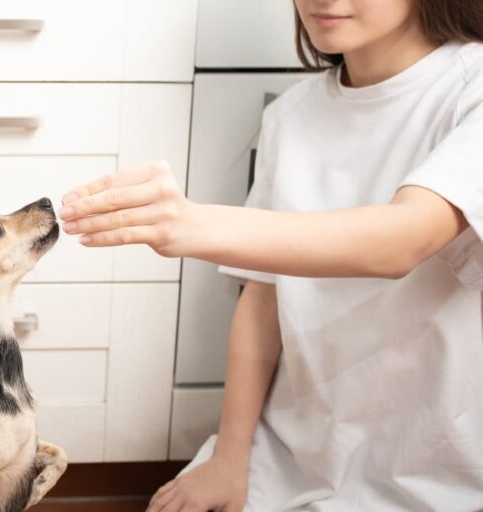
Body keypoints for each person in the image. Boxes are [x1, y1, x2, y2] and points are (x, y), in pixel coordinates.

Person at [58, 0, 483, 510]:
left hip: (434, 471)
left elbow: (403, 240)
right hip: (294, 451)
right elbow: (261, 305)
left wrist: (190, 223)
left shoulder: (470, 88)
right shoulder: (291, 116)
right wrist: (229, 461)